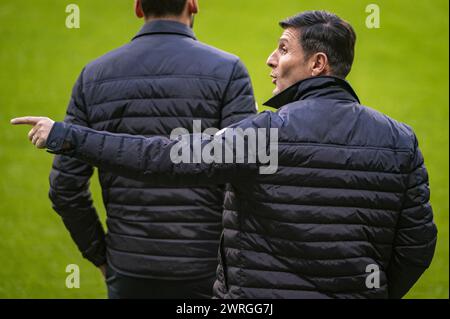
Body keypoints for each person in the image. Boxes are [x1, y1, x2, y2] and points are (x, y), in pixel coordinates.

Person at [12, 10, 437, 299]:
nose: (271, 60)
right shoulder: (401, 140)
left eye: (284, 49)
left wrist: (67, 136)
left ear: (318, 63)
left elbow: (162, 157)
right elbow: (418, 245)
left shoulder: (263, 134)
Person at [40, 0, 256, 299]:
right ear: (192, 4)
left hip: (129, 267)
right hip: (206, 267)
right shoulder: (229, 71)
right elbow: (247, 172)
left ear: (138, 8)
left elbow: (65, 188)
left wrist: (102, 256)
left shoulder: (94, 75)